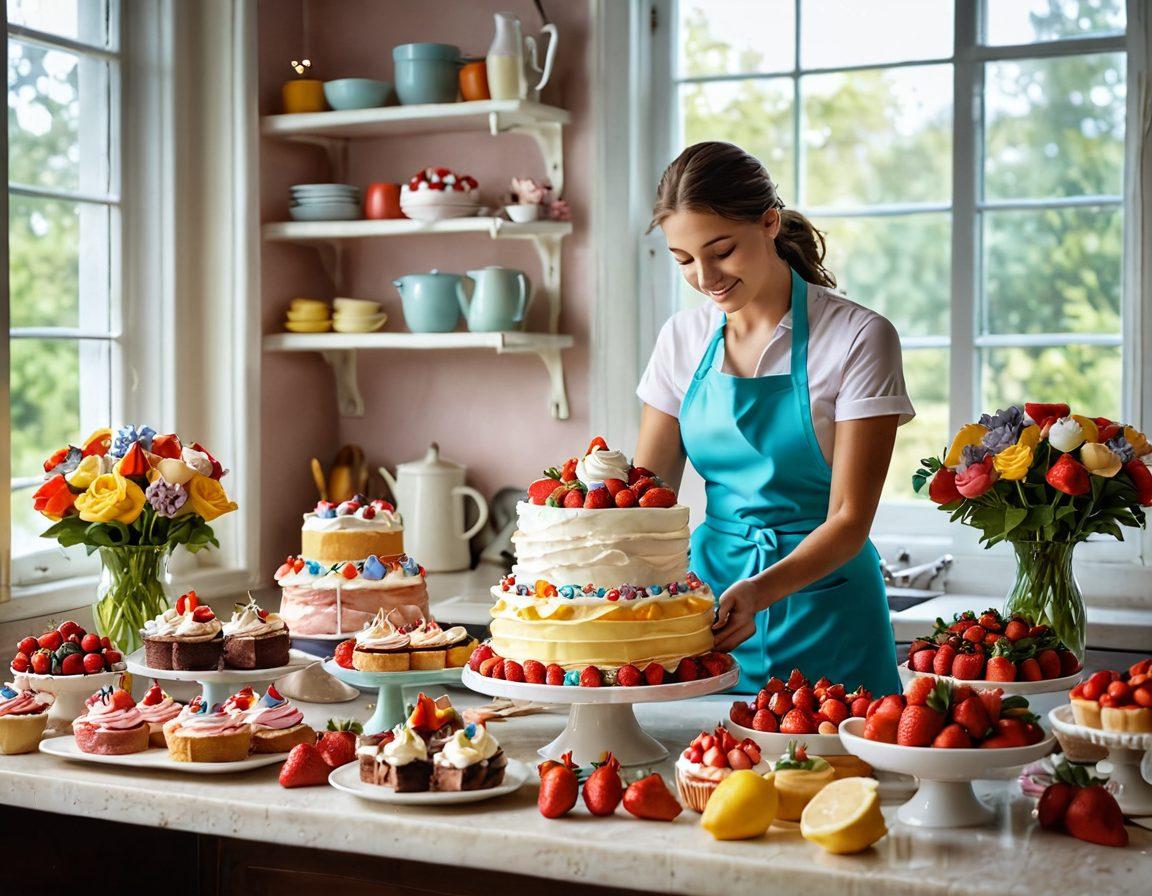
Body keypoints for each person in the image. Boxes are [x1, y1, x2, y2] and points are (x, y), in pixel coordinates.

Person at [634, 141, 914, 695]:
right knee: (704, 776)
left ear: (769, 222)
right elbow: (648, 501)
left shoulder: (859, 338)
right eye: (684, 260)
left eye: (721, 251)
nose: (705, 277)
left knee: (839, 776)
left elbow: (850, 520)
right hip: (710, 618)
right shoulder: (681, 339)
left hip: (828, 610)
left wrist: (759, 592)